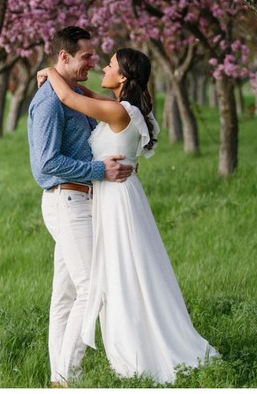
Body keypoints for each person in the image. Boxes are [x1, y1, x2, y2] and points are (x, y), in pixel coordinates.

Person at [40, 49, 218, 384]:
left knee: (112, 277)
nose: (102, 68)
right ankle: (66, 371)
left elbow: (67, 95)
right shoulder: (123, 109)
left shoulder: (118, 112)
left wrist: (50, 70)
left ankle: (68, 375)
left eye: (109, 65)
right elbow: (90, 95)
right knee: (123, 274)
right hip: (116, 195)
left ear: (122, 77)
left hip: (114, 199)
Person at [28, 26, 134, 385]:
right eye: (87, 56)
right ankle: (66, 378)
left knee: (67, 293)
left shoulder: (71, 92)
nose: (93, 60)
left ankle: (58, 376)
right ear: (65, 57)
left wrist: (53, 75)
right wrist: (98, 170)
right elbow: (45, 165)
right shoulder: (49, 101)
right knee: (93, 288)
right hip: (66, 200)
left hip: (81, 200)